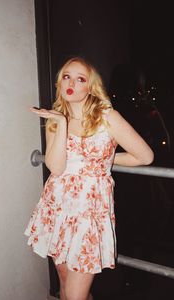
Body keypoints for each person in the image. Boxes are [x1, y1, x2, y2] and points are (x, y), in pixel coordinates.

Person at [24, 56, 154, 300]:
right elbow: (56, 167)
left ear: (90, 86)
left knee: (75, 295)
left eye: (80, 78)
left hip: (89, 212)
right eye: (66, 76)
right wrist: (60, 122)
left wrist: (100, 161)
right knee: (64, 284)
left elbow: (144, 156)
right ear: (59, 83)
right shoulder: (55, 120)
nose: (71, 82)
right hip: (57, 207)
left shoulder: (108, 117)